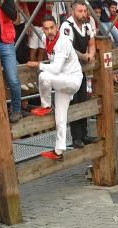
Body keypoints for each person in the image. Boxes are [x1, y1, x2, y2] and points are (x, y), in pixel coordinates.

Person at [27, 15, 83, 162]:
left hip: (71, 79)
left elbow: (56, 68)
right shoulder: (47, 40)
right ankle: (59, 151)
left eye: (52, 27)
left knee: (43, 76)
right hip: (62, 82)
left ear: (57, 26)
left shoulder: (62, 42)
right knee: (60, 118)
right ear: (43, 29)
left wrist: (38, 64)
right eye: (46, 28)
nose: (50, 31)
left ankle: (45, 106)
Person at [62, 0, 99, 148]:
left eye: (85, 11)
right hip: (69, 72)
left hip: (81, 71)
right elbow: (69, 49)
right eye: (80, 11)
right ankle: (76, 137)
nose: (83, 14)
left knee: (83, 100)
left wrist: (91, 55)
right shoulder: (67, 26)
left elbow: (92, 43)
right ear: (73, 11)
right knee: (74, 102)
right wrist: (85, 57)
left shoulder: (87, 25)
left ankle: (84, 134)